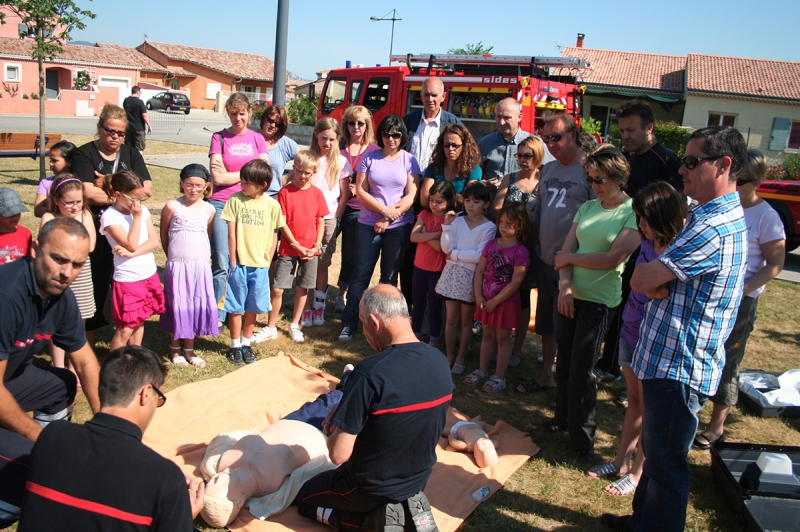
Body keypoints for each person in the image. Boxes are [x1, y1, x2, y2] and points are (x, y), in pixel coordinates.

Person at [602, 126, 748, 532]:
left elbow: (640, 280)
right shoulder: (706, 215)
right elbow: (649, 278)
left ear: (723, 165)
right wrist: (656, 280)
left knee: (666, 467)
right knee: (657, 451)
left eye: (691, 162)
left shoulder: (712, 227)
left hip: (678, 366)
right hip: (670, 359)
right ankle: (642, 522)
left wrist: (654, 280)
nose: (681, 170)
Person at [294, 285, 452, 531]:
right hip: (417, 480)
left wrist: (337, 425)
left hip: (368, 487)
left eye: (363, 324)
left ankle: (369, 523)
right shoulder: (440, 361)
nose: (365, 335)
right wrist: (351, 411)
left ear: (374, 322)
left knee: (304, 498)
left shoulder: (369, 373)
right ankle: (405, 508)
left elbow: (338, 455)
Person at [17, 346, 203, 531]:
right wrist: (182, 516)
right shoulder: (165, 478)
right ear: (146, 394)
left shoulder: (51, 437)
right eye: (159, 398)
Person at [0, 217, 100, 528]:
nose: (66, 272)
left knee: (62, 383)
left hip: (10, 380)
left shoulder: (61, 294)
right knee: (30, 461)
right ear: (34, 249)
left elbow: (85, 362)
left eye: (77, 264)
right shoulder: (7, 296)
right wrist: (39, 439)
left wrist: (107, 428)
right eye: (58, 259)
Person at [587, 181, 685, 497]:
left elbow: (660, 289)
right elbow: (640, 283)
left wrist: (647, 286)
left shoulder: (678, 249)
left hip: (654, 338)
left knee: (650, 410)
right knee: (635, 403)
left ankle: (639, 473)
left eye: (644, 218)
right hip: (630, 332)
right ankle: (620, 463)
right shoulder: (646, 244)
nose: (640, 224)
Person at [548, 145, 640, 462]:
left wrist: (570, 259)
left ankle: (583, 438)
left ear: (617, 177)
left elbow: (612, 258)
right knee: (566, 362)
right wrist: (565, 289)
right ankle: (561, 419)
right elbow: (565, 249)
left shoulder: (631, 212)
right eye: (591, 179)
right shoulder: (588, 208)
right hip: (571, 294)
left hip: (600, 301)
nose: (595, 185)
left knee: (583, 368)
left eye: (599, 179)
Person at [693, 149, 785, 450]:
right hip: (711, 297)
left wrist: (741, 289)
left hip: (740, 303)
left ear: (757, 180)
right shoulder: (719, 208)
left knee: (728, 361)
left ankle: (716, 426)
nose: (734, 183)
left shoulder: (766, 217)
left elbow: (774, 264)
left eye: (740, 180)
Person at [595, 99, 683, 382]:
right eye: (621, 130)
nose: (626, 136)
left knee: (635, 310)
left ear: (650, 128)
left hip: (649, 251)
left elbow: (676, 211)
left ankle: (625, 369)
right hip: (619, 244)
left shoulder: (668, 162)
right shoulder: (624, 158)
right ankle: (610, 362)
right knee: (616, 305)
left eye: (631, 130)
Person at [515, 114, 593, 394]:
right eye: (547, 138)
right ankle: (547, 374)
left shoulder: (590, 170)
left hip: (575, 265)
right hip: (545, 258)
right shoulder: (547, 169)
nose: (551, 143)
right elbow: (540, 212)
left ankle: (570, 384)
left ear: (573, 134)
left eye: (556, 137)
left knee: (570, 328)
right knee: (547, 322)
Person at [71, 103, 153, 344]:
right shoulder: (84, 153)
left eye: (120, 133)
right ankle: (88, 343)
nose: (115, 137)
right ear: (99, 128)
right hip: (96, 228)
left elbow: (147, 188)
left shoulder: (130, 153)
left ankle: (129, 341)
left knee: (128, 283)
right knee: (95, 285)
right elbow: (87, 192)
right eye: (110, 131)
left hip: (129, 227)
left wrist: (106, 182)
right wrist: (125, 195)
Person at [338, 115, 421, 342]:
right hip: (367, 223)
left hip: (399, 225)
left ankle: (386, 326)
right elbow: (362, 191)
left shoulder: (409, 160)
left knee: (389, 278)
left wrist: (389, 216)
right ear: (381, 135)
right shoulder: (369, 158)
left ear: (402, 136)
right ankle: (349, 322)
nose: (391, 138)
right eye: (387, 134)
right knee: (361, 274)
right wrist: (383, 210)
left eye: (396, 134)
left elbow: (411, 194)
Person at [208, 93, 270, 328]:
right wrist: (249, 173)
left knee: (246, 260)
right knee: (223, 261)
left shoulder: (257, 139)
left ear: (249, 114)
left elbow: (264, 173)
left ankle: (239, 308)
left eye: (242, 113)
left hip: (250, 206)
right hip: (222, 203)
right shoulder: (219, 138)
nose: (238, 118)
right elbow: (217, 177)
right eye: (233, 113)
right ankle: (217, 314)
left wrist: (232, 175)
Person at [221, 159, 284, 365]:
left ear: (263, 184)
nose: (242, 186)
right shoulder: (235, 200)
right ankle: (235, 345)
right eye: (242, 182)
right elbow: (231, 234)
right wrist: (233, 261)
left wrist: (267, 261)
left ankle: (246, 343)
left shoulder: (273, 205)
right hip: (239, 265)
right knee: (236, 307)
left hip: (260, 266)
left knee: (252, 307)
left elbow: (275, 235)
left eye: (247, 183)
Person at [492, 136, 545, 368]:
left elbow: (545, 216)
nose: (522, 160)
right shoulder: (509, 178)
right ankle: (497, 342)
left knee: (523, 299)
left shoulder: (545, 181)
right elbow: (496, 209)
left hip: (530, 249)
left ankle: (517, 348)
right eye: (519, 155)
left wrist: (517, 218)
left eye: (527, 155)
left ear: (538, 156)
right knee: (501, 292)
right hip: (505, 247)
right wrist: (522, 220)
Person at [159, 164, 219, 368]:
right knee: (177, 305)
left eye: (199, 186)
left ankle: (190, 349)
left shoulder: (209, 209)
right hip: (177, 267)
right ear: (181, 184)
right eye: (189, 185)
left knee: (194, 305)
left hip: (199, 267)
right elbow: (164, 234)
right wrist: (173, 258)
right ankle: (175, 349)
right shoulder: (172, 206)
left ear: (206, 186)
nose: (194, 189)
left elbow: (207, 235)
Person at [100, 171, 165, 352]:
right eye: (133, 199)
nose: (138, 203)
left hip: (147, 273)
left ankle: (135, 359)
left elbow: (154, 242)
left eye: (141, 198)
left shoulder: (141, 210)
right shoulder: (110, 217)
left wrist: (132, 254)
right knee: (125, 329)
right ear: (117, 194)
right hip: (128, 280)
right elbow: (131, 242)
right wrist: (136, 219)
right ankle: (113, 366)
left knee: (140, 321)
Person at [469, 202, 530, 393]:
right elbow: (480, 271)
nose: (503, 226)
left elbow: (516, 282)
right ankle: (482, 370)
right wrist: (479, 296)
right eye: (501, 222)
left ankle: (499, 377)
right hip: (485, 301)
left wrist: (496, 301)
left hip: (504, 303)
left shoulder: (521, 251)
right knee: (487, 336)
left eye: (509, 223)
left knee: (502, 339)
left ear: (520, 225)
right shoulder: (490, 244)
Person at [268, 151, 327, 344]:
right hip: (288, 248)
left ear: (314, 173)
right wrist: (295, 244)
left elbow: (320, 221)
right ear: (294, 169)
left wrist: (316, 245)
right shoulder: (284, 192)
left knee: (304, 287)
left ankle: (294, 323)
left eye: (307, 173)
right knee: (278, 288)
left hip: (311, 250)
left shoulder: (317, 194)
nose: (303, 176)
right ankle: (271, 326)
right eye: (299, 171)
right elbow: (282, 222)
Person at [437, 181, 496, 374]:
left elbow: (479, 256)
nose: (470, 205)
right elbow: (445, 247)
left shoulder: (489, 227)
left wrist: (454, 255)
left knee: (466, 320)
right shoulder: (457, 221)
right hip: (452, 274)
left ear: (486, 204)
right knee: (451, 318)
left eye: (476, 201)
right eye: (468, 200)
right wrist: (446, 227)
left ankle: (461, 357)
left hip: (471, 277)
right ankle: (449, 355)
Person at [40, 175, 96, 373]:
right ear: (56, 200)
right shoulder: (49, 218)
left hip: (80, 274)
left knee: (79, 320)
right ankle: (58, 367)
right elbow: (47, 247)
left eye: (79, 202)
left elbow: (90, 246)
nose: (74, 207)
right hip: (56, 274)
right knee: (55, 317)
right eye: (69, 203)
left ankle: (73, 368)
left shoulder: (85, 215)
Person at [304, 118, 352, 327]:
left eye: (332, 139)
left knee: (323, 263)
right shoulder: (308, 158)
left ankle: (319, 306)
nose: (327, 143)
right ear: (316, 134)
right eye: (324, 138)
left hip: (330, 217)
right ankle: (305, 306)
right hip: (307, 218)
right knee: (307, 263)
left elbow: (344, 195)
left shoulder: (341, 162)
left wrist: (338, 216)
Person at [336, 106, 380, 314]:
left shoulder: (374, 150)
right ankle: (310, 294)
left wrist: (361, 189)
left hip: (358, 211)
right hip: (335, 206)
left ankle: (342, 295)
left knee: (351, 256)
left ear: (367, 125)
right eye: (351, 123)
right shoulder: (337, 147)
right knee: (322, 253)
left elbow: (378, 182)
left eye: (360, 123)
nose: (356, 127)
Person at [410, 180, 456, 347]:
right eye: (431, 200)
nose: (434, 205)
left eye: (439, 201)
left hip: (437, 270)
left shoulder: (450, 220)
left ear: (448, 202)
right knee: (419, 303)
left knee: (435, 306)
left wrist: (425, 233)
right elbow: (413, 237)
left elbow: (441, 248)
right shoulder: (424, 214)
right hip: (419, 268)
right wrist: (436, 234)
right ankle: (414, 334)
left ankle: (434, 338)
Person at [478, 97, 552, 187]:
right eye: (498, 116)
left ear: (519, 117)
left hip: (524, 200)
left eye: (506, 117)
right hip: (493, 199)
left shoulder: (535, 144)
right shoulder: (485, 144)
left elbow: (552, 172)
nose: (501, 122)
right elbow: (473, 178)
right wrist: (484, 185)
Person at [403, 77, 463, 171]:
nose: (430, 99)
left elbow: (464, 154)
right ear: (421, 95)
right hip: (409, 181)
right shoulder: (408, 121)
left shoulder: (453, 123)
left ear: (443, 96)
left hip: (438, 182)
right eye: (426, 95)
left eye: (434, 95)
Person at [419, 123, 483, 209]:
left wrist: (438, 199)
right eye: (446, 145)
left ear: (464, 146)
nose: (450, 149)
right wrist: (457, 197)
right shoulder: (434, 167)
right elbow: (424, 200)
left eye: (455, 145)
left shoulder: (474, 170)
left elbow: (470, 200)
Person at [259, 104, 298, 198]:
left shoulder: (284, 143)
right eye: (270, 120)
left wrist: (288, 177)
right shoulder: (251, 137)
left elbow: (306, 160)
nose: (272, 125)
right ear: (264, 118)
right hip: (249, 194)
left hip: (273, 196)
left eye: (277, 124)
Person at [33, 140, 77, 218]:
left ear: (69, 162)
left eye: (55, 160)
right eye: (50, 160)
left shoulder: (78, 182)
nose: (50, 164)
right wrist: (64, 212)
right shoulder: (46, 182)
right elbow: (38, 210)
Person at [0, 188, 32, 264]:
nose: (14, 217)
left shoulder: (25, 234)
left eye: (17, 213)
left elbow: (28, 261)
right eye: (9, 214)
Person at [122, 86, 152, 153]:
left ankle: (129, 162)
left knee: (129, 147)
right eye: (140, 92)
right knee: (139, 148)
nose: (140, 94)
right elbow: (144, 115)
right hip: (139, 128)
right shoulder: (139, 102)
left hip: (128, 127)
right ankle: (138, 162)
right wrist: (149, 125)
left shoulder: (126, 101)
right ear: (137, 92)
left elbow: (124, 112)